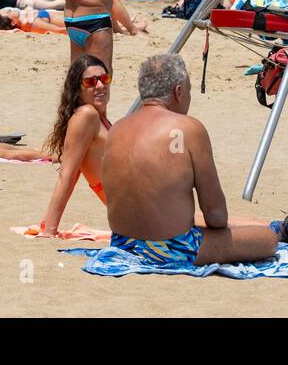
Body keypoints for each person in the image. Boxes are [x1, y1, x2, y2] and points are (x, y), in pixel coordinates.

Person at [102, 54, 278, 266]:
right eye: (189, 90)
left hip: (122, 243)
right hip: (172, 249)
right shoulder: (188, 129)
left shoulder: (117, 129)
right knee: (267, 239)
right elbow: (216, 216)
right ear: (178, 92)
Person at [39, 54, 112, 236]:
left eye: (105, 78)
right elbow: (68, 176)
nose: (100, 86)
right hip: (135, 211)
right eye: (90, 82)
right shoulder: (87, 116)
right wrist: (50, 230)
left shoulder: (98, 118)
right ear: (77, 89)